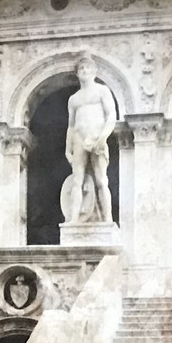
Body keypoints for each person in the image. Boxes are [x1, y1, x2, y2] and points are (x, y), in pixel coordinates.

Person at [61, 52, 118, 224]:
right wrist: (67, 149)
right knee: (77, 180)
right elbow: (71, 126)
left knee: (101, 180)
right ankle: (73, 219)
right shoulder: (74, 99)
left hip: (96, 136)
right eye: (81, 68)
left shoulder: (102, 90)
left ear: (94, 71)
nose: (84, 70)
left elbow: (111, 115)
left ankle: (108, 219)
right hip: (79, 137)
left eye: (87, 67)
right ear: (77, 73)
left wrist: (103, 137)